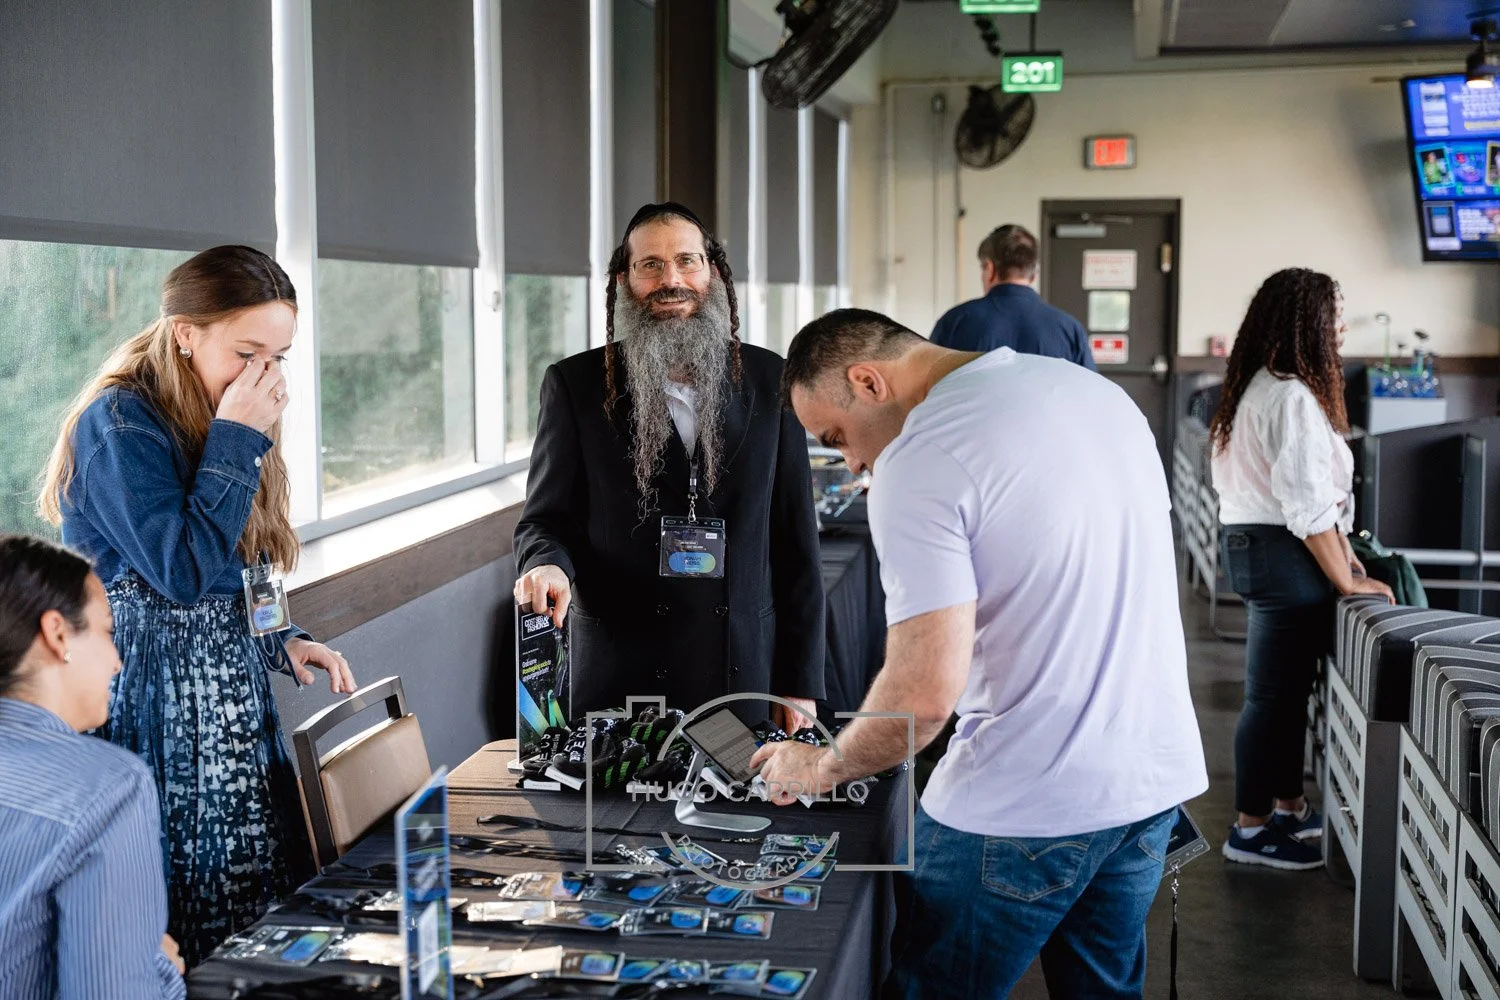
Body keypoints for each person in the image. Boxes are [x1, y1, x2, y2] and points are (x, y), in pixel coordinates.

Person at [755, 308, 1207, 999]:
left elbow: (923, 696)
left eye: (838, 437)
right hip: (1148, 784)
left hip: (1022, 804)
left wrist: (823, 765)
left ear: (869, 381)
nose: (850, 463)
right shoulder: (1092, 392)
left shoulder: (921, 457)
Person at [37, 245, 358, 964]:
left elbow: (243, 561)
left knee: (255, 900)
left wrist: (283, 638)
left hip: (234, 703)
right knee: (184, 901)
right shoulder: (119, 425)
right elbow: (182, 570)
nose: (265, 375)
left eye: (279, 356)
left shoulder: (229, 406)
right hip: (156, 703)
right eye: (248, 351)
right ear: (187, 332)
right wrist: (240, 436)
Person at [514, 202, 824, 733]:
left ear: (714, 273)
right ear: (624, 280)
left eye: (687, 261)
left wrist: (800, 682)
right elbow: (545, 521)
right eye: (650, 265)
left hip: (742, 673)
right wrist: (546, 563)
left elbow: (797, 546)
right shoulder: (577, 386)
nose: (670, 280)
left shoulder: (772, 380)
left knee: (739, 814)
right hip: (622, 680)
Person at [1210, 268, 1393, 870]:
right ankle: (1251, 828)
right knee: (1271, 698)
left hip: (1258, 548)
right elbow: (1308, 505)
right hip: (1283, 553)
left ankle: (1287, 807)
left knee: (1285, 697)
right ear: (1307, 322)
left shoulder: (1254, 386)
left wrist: (1342, 557)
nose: (1342, 327)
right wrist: (1346, 578)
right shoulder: (1289, 394)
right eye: (1335, 315)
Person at [0, 534, 185, 999]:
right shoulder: (109, 789)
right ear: (58, 633)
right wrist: (160, 969)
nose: (117, 662)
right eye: (106, 631)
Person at [929, 223, 1096, 370]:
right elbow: (1091, 392)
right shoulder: (1069, 330)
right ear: (1034, 274)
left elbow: (925, 389)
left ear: (989, 269)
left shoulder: (954, 322)